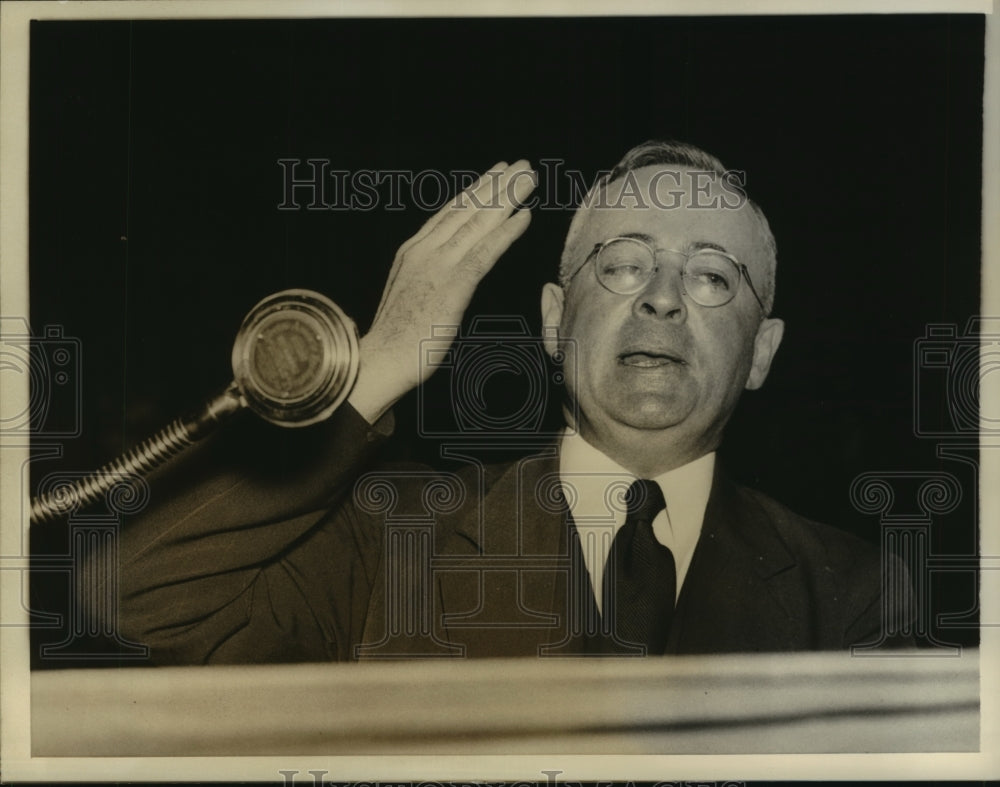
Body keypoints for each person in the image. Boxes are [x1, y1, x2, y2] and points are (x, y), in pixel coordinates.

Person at [96, 140, 909, 664]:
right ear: (555, 319)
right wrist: (376, 362)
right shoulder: (390, 535)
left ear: (761, 351)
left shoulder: (857, 594)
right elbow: (130, 598)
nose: (663, 298)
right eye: (625, 263)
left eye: (710, 276)